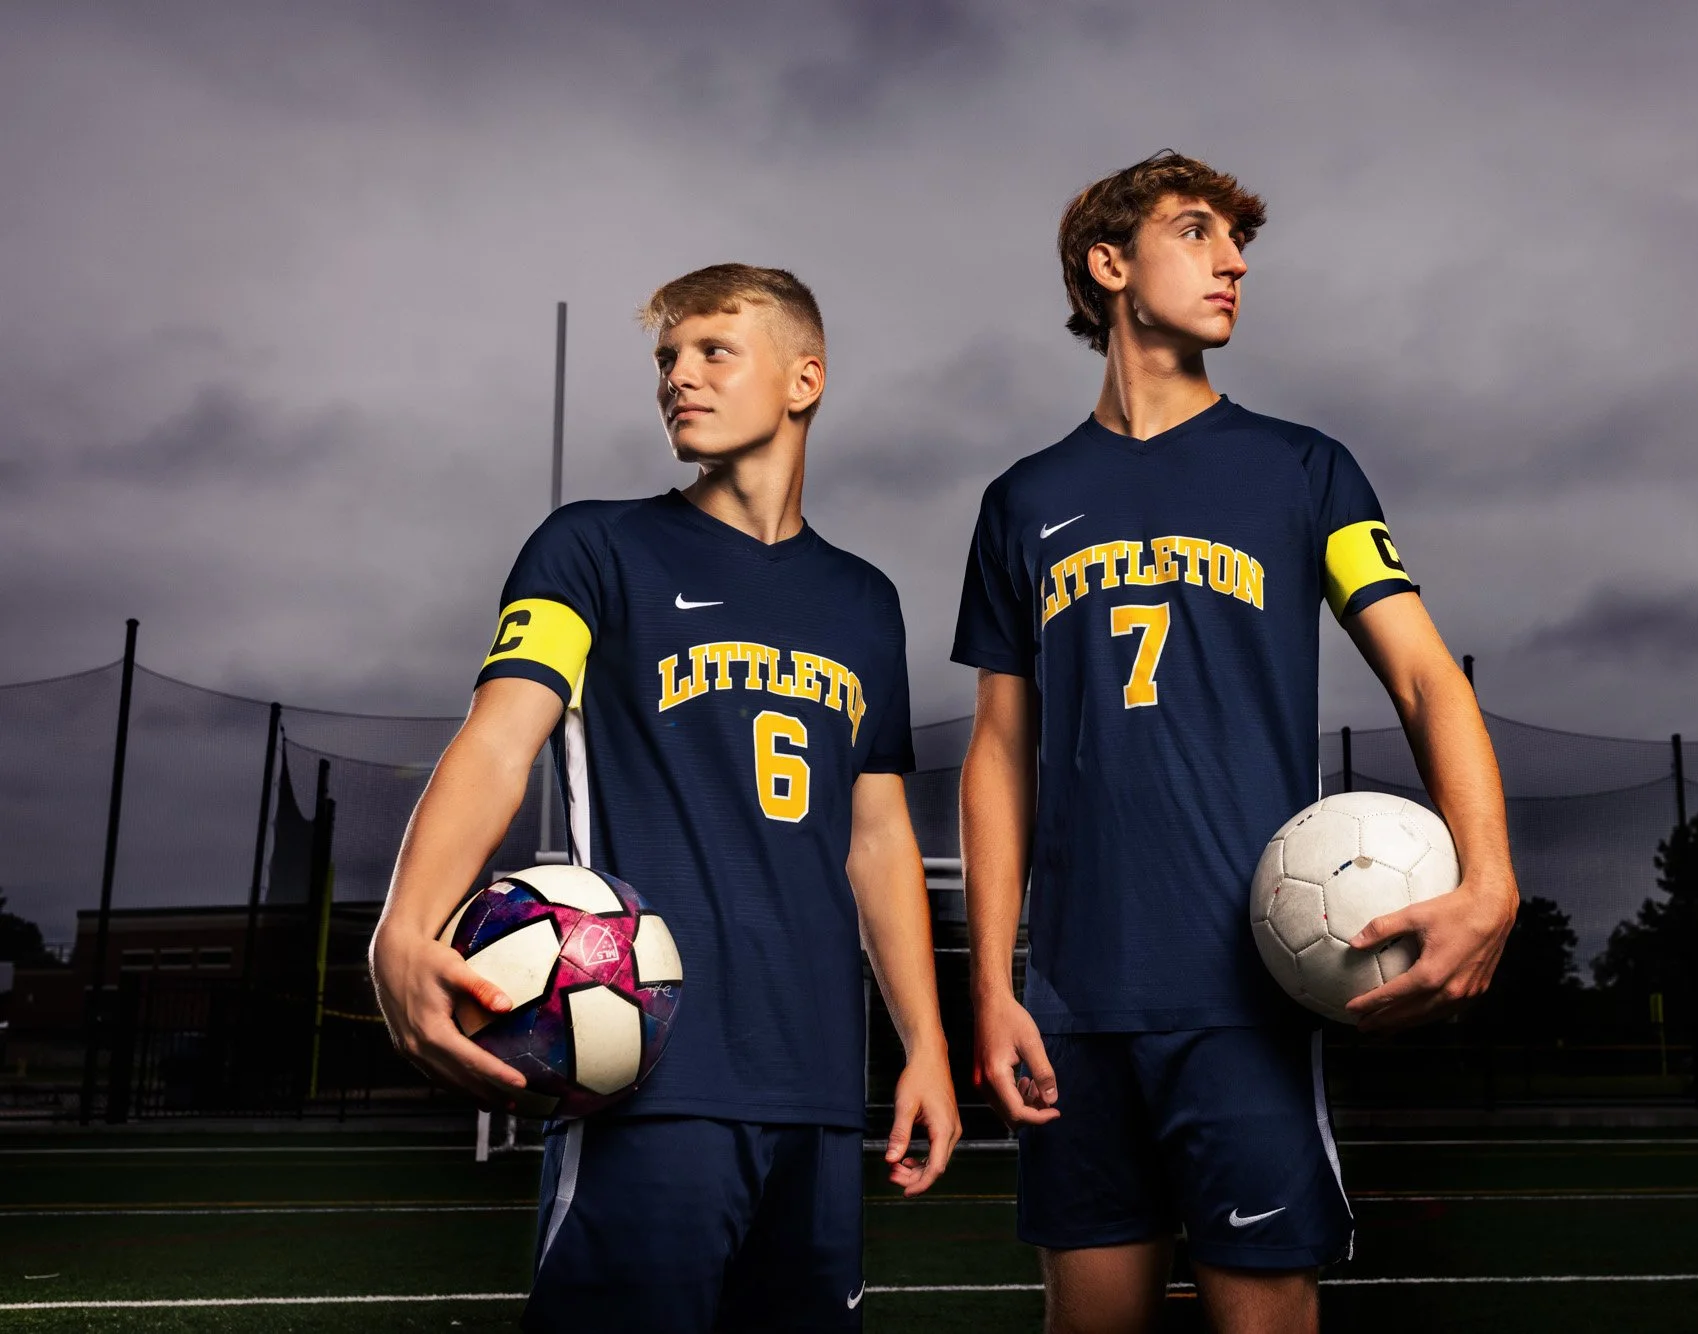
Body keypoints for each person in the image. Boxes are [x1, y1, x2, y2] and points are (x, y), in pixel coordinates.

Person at [953, 153, 1519, 1333]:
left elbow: (1422, 671)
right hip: (1075, 995)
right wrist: (996, 983)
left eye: (1238, 243)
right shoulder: (1023, 500)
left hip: (1245, 993)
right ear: (1109, 267)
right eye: (1197, 232)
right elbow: (999, 754)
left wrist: (1491, 877)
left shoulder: (1300, 469)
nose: (1234, 261)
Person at [370, 263, 958, 1331]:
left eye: (711, 351)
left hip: (818, 1091)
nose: (677, 379)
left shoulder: (865, 601)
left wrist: (923, 1042)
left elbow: (876, 841)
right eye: (665, 359)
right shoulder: (591, 548)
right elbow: (501, 739)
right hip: (645, 1066)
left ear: (803, 378)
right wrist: (404, 927)